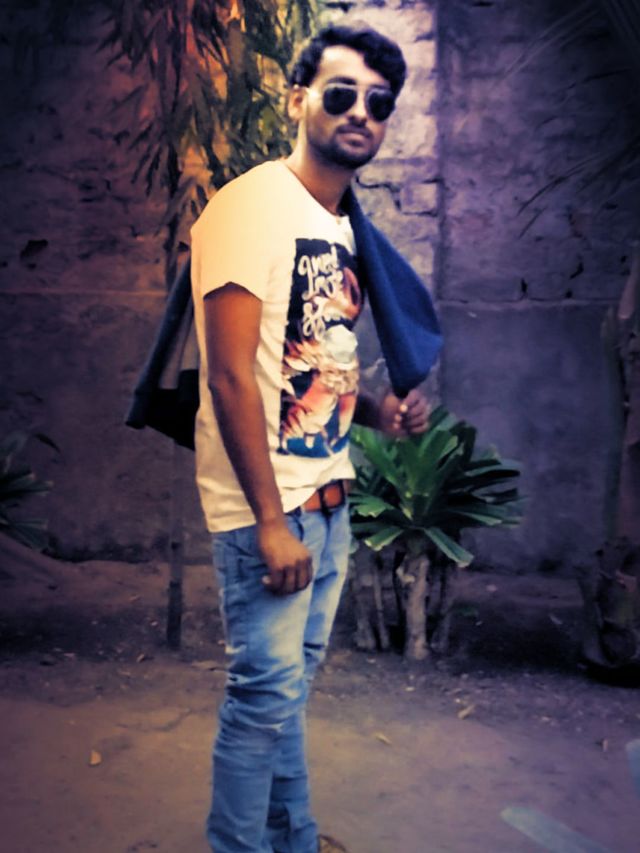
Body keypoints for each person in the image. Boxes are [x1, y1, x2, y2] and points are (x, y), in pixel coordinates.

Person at [190, 23, 440, 853]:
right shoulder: (249, 206)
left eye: (379, 102)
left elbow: (307, 370)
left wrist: (379, 414)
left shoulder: (340, 227)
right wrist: (270, 521)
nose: (361, 112)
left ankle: (291, 837)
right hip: (269, 509)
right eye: (341, 94)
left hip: (328, 501)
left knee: (285, 695)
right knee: (262, 697)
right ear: (298, 100)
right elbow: (230, 376)